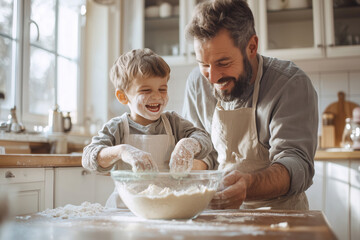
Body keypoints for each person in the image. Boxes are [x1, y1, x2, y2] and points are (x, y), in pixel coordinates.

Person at [183, 0, 318, 210]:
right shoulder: (197, 83)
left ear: (252, 47)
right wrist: (190, 173)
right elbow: (204, 152)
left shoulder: (290, 84)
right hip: (217, 216)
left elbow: (296, 164)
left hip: (280, 217)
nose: (213, 77)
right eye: (204, 64)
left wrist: (248, 185)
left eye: (223, 63)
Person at [82, 48, 214, 208]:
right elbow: (88, 158)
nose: (157, 96)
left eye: (162, 89)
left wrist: (188, 145)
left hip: (168, 206)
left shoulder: (173, 122)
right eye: (146, 90)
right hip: (124, 210)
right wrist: (122, 151)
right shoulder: (117, 127)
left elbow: (205, 139)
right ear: (123, 96)